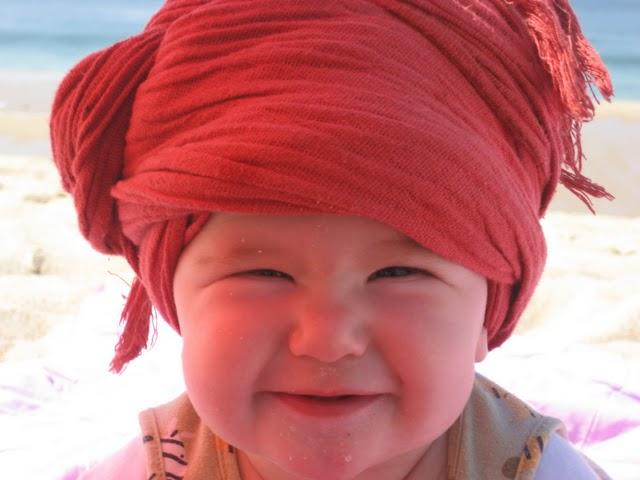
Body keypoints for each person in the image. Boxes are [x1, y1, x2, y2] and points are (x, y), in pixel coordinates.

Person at [50, 0, 615, 478]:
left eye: (398, 273)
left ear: (492, 309)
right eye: (264, 273)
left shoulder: (533, 465)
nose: (327, 340)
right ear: (174, 295)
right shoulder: (155, 463)